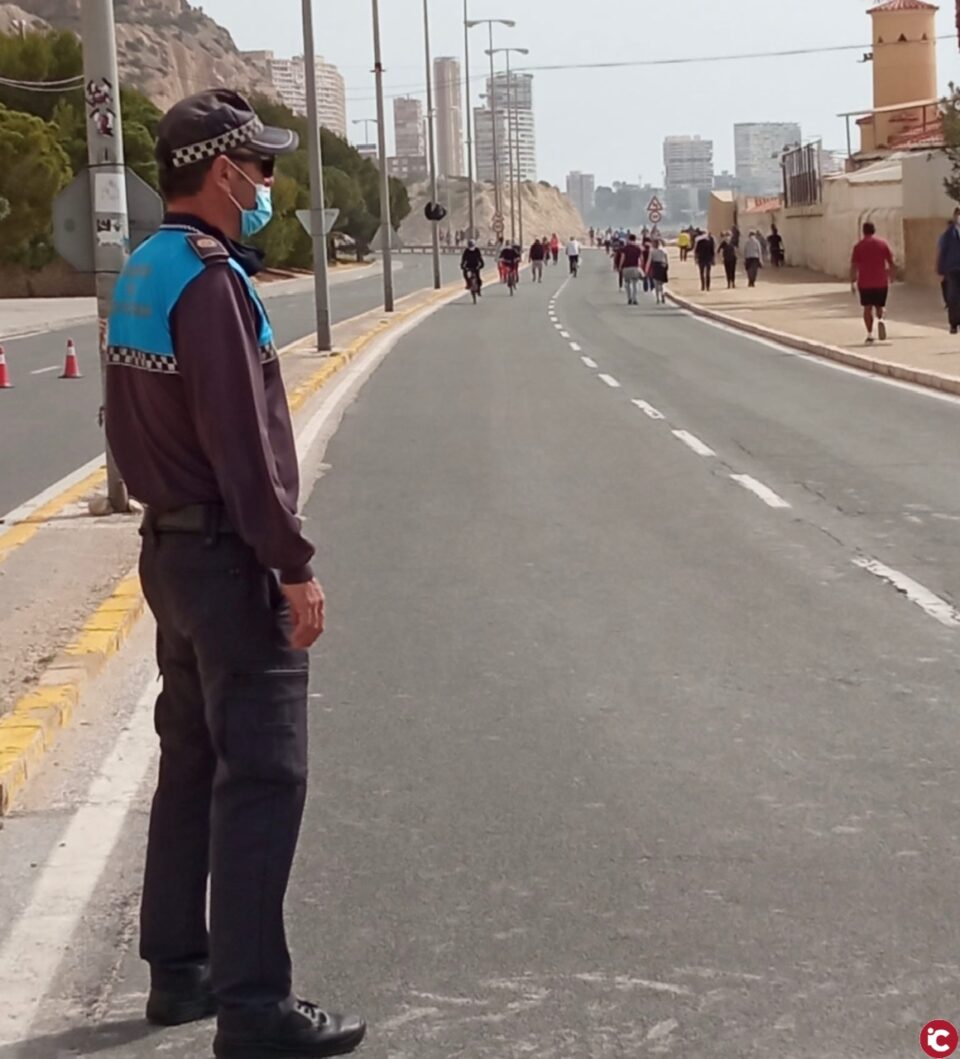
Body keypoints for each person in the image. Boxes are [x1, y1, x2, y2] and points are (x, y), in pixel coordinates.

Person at [104, 89, 366, 1059]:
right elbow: (245, 449)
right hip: (225, 555)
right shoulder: (211, 286)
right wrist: (292, 567)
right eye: (257, 168)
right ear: (220, 174)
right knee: (265, 775)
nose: (266, 184)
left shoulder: (144, 270)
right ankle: (255, 1008)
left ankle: (181, 970)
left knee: (193, 758)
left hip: (169, 553)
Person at [850, 220, 895, 344]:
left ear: (863, 231)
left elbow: (854, 265)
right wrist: (891, 276)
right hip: (881, 281)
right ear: (874, 230)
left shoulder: (858, 246)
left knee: (867, 308)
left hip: (865, 282)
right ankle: (880, 319)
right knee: (880, 305)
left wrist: (852, 281)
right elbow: (891, 262)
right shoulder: (882, 244)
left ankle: (870, 334)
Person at [937, 206, 960, 335]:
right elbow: (943, 251)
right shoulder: (948, 234)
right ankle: (953, 324)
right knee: (953, 297)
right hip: (952, 269)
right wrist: (941, 269)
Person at [620, 232, 643, 305]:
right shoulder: (638, 248)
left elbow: (622, 258)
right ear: (635, 240)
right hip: (634, 267)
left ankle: (629, 298)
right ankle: (634, 299)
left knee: (627, 283)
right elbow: (641, 259)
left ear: (629, 239)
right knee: (635, 284)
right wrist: (640, 267)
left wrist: (620, 266)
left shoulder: (625, 248)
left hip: (626, 268)